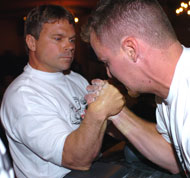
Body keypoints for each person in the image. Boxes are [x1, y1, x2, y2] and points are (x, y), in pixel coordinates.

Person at [0, 4, 125, 178]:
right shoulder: (23, 96)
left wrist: (115, 113)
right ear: (31, 42)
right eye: (58, 39)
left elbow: (105, 127)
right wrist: (99, 111)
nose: (69, 46)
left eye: (72, 40)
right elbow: (77, 160)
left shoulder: (75, 78)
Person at [81, 0, 190, 177]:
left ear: (131, 49)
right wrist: (117, 113)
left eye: (107, 62)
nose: (109, 73)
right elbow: (173, 158)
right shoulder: (166, 93)